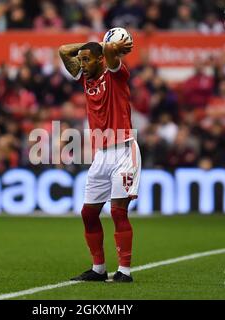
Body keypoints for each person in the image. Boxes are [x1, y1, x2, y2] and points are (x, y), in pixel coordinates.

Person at [58, 38, 141, 282]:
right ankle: (99, 268)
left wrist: (107, 46)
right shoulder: (87, 79)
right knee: (88, 213)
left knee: (118, 211)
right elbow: (63, 51)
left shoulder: (116, 75)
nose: (82, 64)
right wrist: (89, 44)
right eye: (81, 60)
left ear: (100, 60)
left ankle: (124, 272)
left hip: (125, 151)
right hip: (101, 155)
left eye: (87, 60)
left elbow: (112, 54)